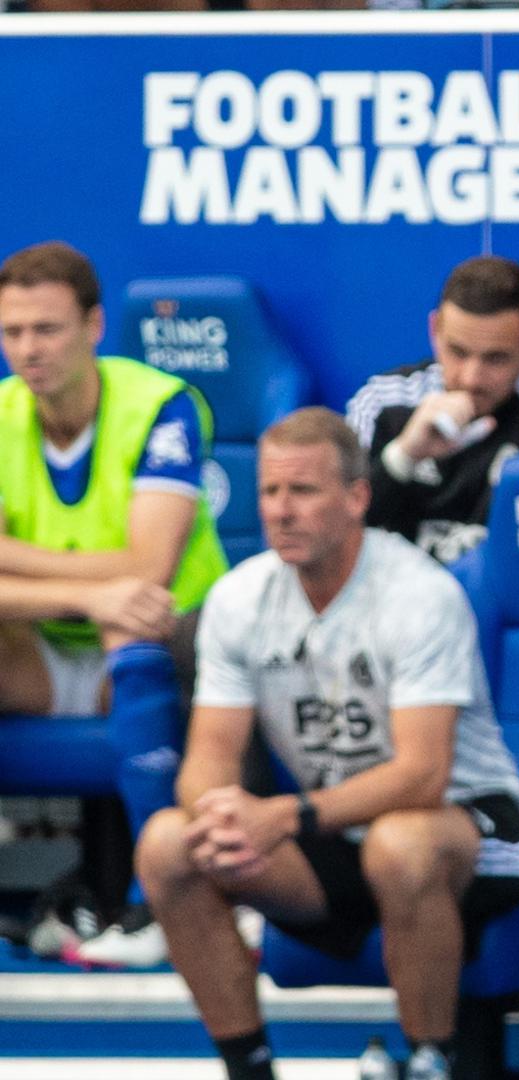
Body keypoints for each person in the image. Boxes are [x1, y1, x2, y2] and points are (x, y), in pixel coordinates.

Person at [134, 408, 519, 1080]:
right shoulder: (239, 598)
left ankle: (431, 1062)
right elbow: (209, 754)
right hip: (334, 828)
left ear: (357, 498)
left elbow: (422, 776)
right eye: (270, 491)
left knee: (399, 844)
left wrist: (282, 816)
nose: (281, 510)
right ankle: (249, 1068)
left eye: (303, 491)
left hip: (471, 827)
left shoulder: (419, 594)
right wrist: (220, 815)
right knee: (169, 843)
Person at [0, 240, 228, 967]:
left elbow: (149, 568)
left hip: (166, 640)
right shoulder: (0, 413)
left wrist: (15, 559)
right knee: (114, 608)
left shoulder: (160, 404)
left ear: (94, 326)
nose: (28, 350)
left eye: (47, 329)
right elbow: (118, 576)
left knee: (130, 622)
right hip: (38, 650)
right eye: (12, 332)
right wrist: (89, 588)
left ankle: (156, 899)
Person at [345, 255, 519, 565]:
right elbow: (336, 534)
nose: (471, 378)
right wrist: (404, 456)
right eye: (458, 352)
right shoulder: (382, 401)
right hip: (391, 591)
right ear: (435, 330)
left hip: (507, 593)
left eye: (496, 358)